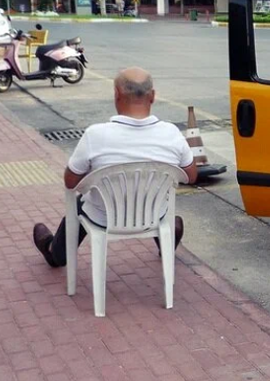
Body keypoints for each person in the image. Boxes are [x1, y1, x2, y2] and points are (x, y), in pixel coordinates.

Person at [32, 67, 197, 268]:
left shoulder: (95, 135)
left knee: (80, 203)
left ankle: (55, 254)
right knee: (153, 196)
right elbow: (191, 176)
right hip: (153, 215)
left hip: (105, 218)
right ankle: (167, 239)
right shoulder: (172, 133)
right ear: (152, 96)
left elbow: (70, 182)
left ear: (117, 95)